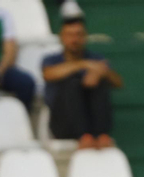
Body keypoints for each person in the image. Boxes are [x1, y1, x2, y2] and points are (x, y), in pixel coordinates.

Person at [41, 15, 121, 146]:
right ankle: (83, 136)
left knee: (101, 83)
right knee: (72, 83)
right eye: (70, 35)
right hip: (63, 122)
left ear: (85, 37)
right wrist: (83, 64)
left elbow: (118, 83)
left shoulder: (96, 59)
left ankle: (102, 135)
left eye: (78, 34)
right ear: (61, 37)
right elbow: (48, 74)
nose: (74, 39)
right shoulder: (51, 60)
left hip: (91, 120)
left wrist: (102, 73)